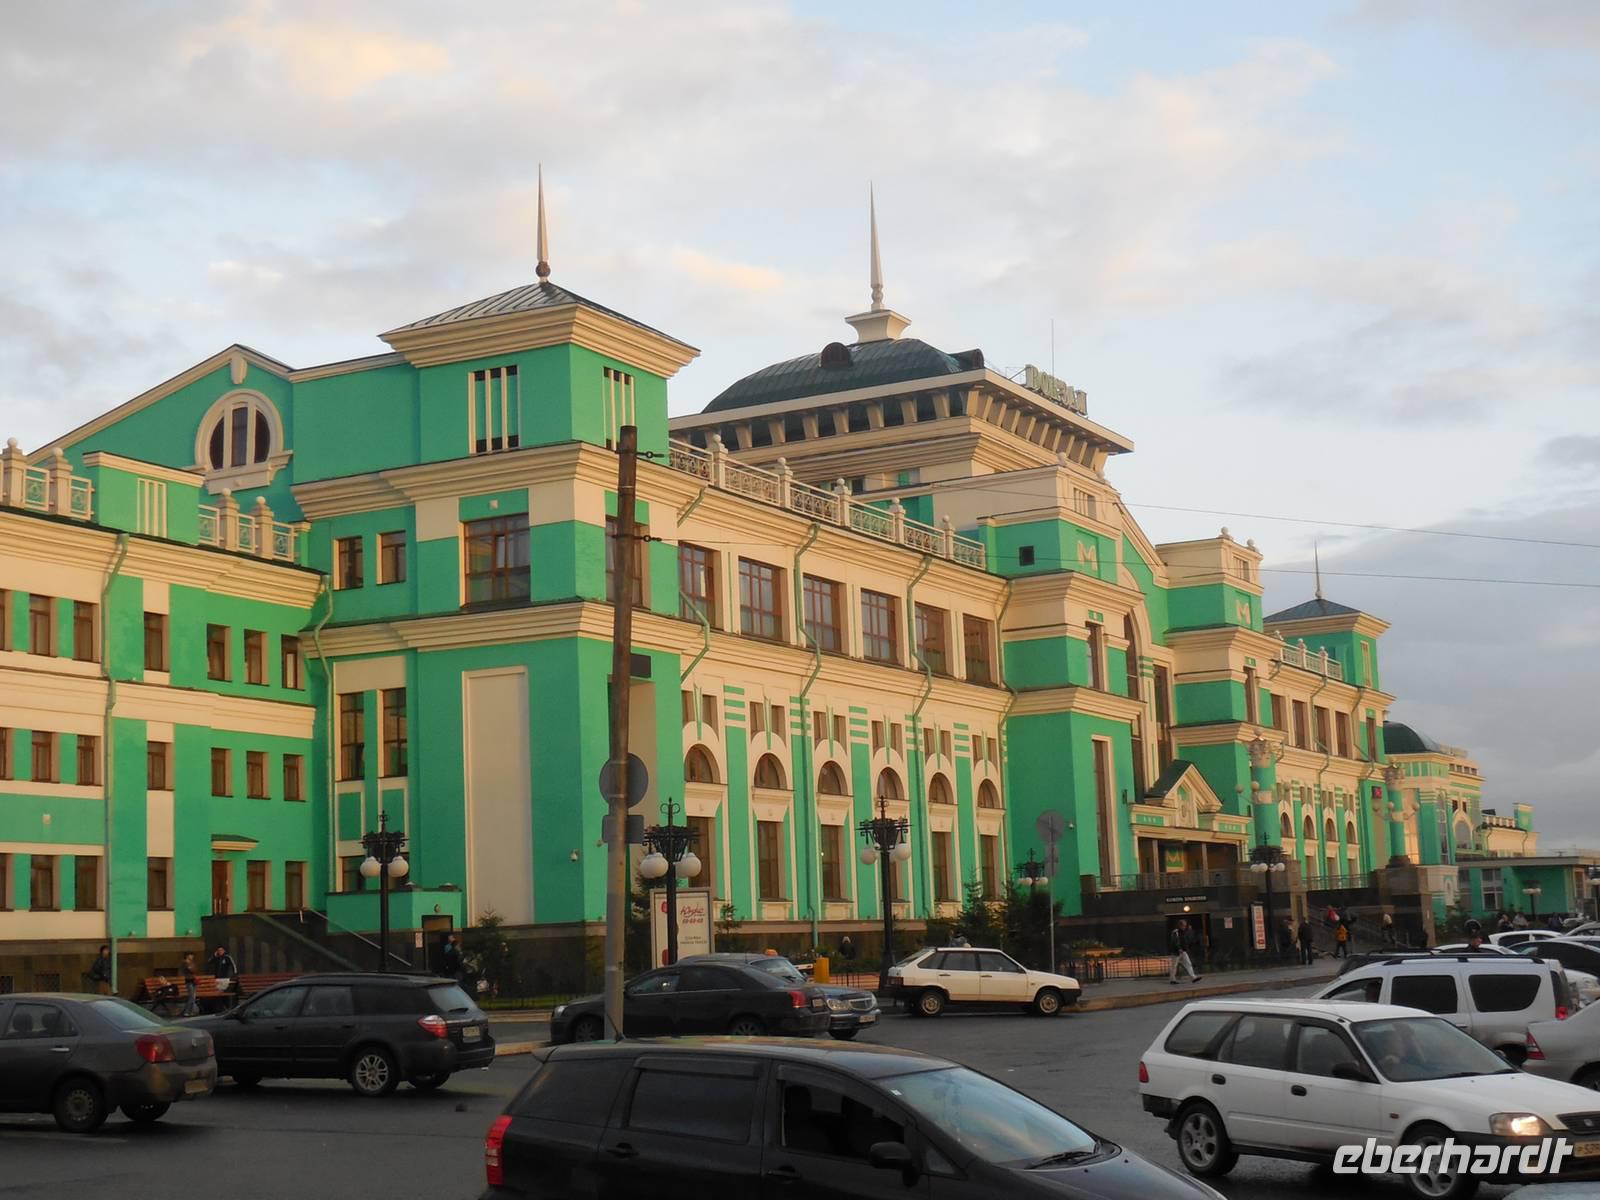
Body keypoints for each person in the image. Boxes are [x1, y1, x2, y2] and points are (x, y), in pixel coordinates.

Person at [1168, 920, 1201, 984]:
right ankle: (1172, 979)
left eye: (1185, 926)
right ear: (1180, 925)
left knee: (1188, 963)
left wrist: (1189, 930)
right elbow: (1175, 941)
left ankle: (1193, 977)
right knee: (1174, 966)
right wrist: (1179, 948)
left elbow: (1186, 940)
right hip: (1176, 952)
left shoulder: (1183, 932)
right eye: (1183, 926)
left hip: (1183, 951)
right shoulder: (1175, 932)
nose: (1184, 927)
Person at [180, 952, 199, 1017]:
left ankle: (191, 1011)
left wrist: (192, 968)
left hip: (194, 980)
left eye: (192, 955)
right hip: (189, 981)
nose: (192, 957)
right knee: (191, 996)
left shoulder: (192, 962)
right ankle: (187, 1012)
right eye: (191, 955)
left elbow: (195, 970)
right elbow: (190, 970)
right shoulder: (184, 963)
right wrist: (191, 968)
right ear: (187, 956)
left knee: (193, 997)